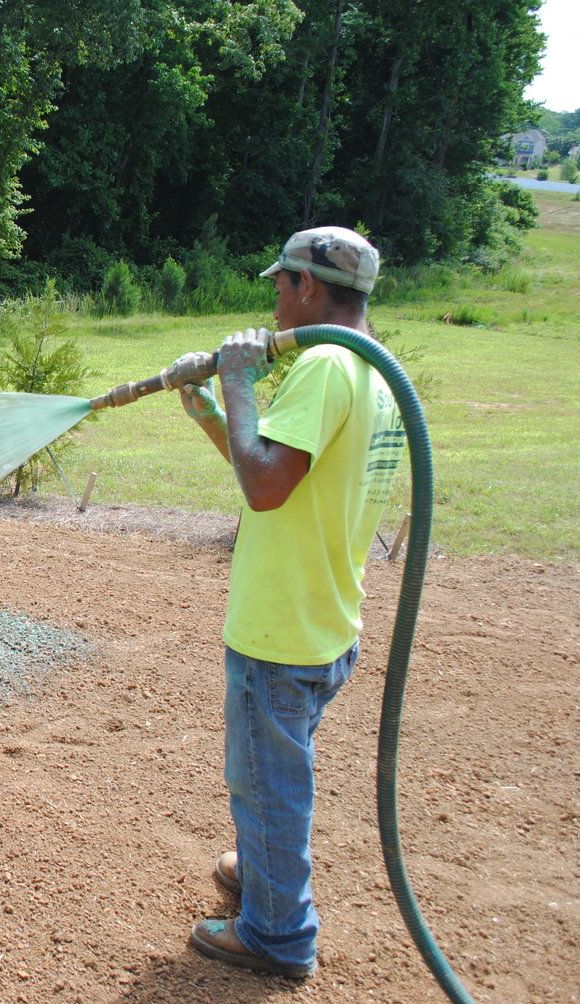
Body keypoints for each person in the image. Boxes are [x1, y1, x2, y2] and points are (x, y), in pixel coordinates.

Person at [175, 226, 404, 979]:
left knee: (266, 778)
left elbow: (264, 488)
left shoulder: (325, 368)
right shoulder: (374, 372)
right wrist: (211, 409)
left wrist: (238, 380)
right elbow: (272, 470)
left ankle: (277, 934)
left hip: (281, 630)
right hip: (325, 621)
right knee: (277, 771)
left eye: (279, 285)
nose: (272, 299)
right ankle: (266, 869)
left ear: (308, 287)